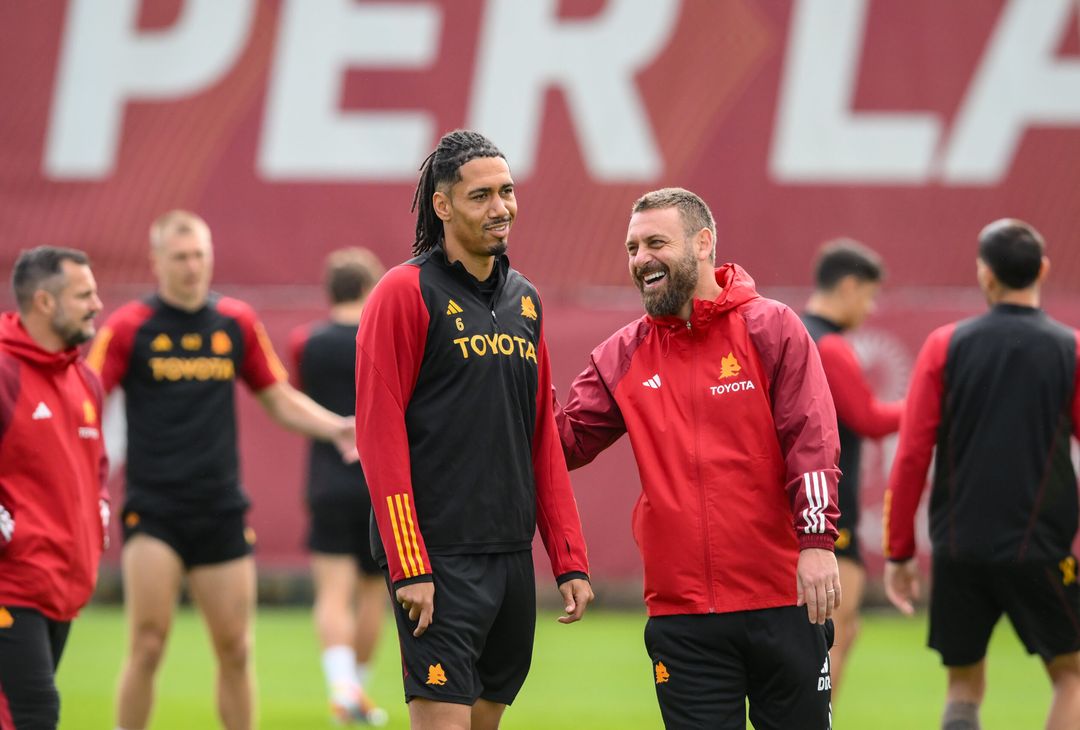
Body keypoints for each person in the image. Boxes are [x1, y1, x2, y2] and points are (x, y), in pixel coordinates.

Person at [556, 187, 841, 730]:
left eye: (655, 243)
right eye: (632, 248)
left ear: (703, 243)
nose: (641, 260)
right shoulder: (622, 354)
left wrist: (817, 545)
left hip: (782, 598)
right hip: (681, 615)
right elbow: (563, 445)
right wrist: (514, 372)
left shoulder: (771, 327)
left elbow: (814, 443)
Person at [354, 129, 593, 730]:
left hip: (511, 559)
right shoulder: (402, 293)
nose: (501, 208)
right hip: (439, 557)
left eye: (507, 192)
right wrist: (410, 566)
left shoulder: (526, 302)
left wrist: (568, 557)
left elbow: (538, 438)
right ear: (442, 205)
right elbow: (378, 438)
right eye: (481, 195)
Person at [86, 211, 357, 730]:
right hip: (155, 509)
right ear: (158, 261)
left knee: (235, 648)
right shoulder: (129, 326)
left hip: (220, 508)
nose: (192, 267)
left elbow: (276, 395)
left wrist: (336, 428)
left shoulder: (234, 322)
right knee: (146, 644)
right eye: (181, 256)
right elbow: (85, 398)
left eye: (200, 256)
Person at [884, 219, 1080, 730]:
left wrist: (899, 552)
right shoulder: (1071, 350)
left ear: (984, 276)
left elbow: (910, 456)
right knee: (1072, 674)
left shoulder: (944, 346)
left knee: (964, 684)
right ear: (1043, 269)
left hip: (958, 547)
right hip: (1042, 546)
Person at [0, 246, 108, 729]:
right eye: (84, 294)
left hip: (61, 589)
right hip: (10, 586)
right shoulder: (4, 372)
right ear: (45, 302)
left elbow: (97, 467)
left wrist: (100, 510)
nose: (97, 304)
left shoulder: (85, 379)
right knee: (35, 714)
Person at [288, 248, 388, 725]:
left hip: (327, 479)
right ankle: (356, 691)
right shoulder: (382, 337)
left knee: (332, 591)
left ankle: (342, 688)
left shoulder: (306, 342)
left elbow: (294, 400)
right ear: (371, 288)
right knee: (374, 593)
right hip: (381, 482)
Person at [802, 239, 903, 695]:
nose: (870, 306)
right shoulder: (832, 345)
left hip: (792, 508)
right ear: (847, 287)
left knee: (826, 634)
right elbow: (869, 419)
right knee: (835, 634)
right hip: (829, 516)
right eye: (868, 294)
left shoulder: (787, 333)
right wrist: (929, 405)